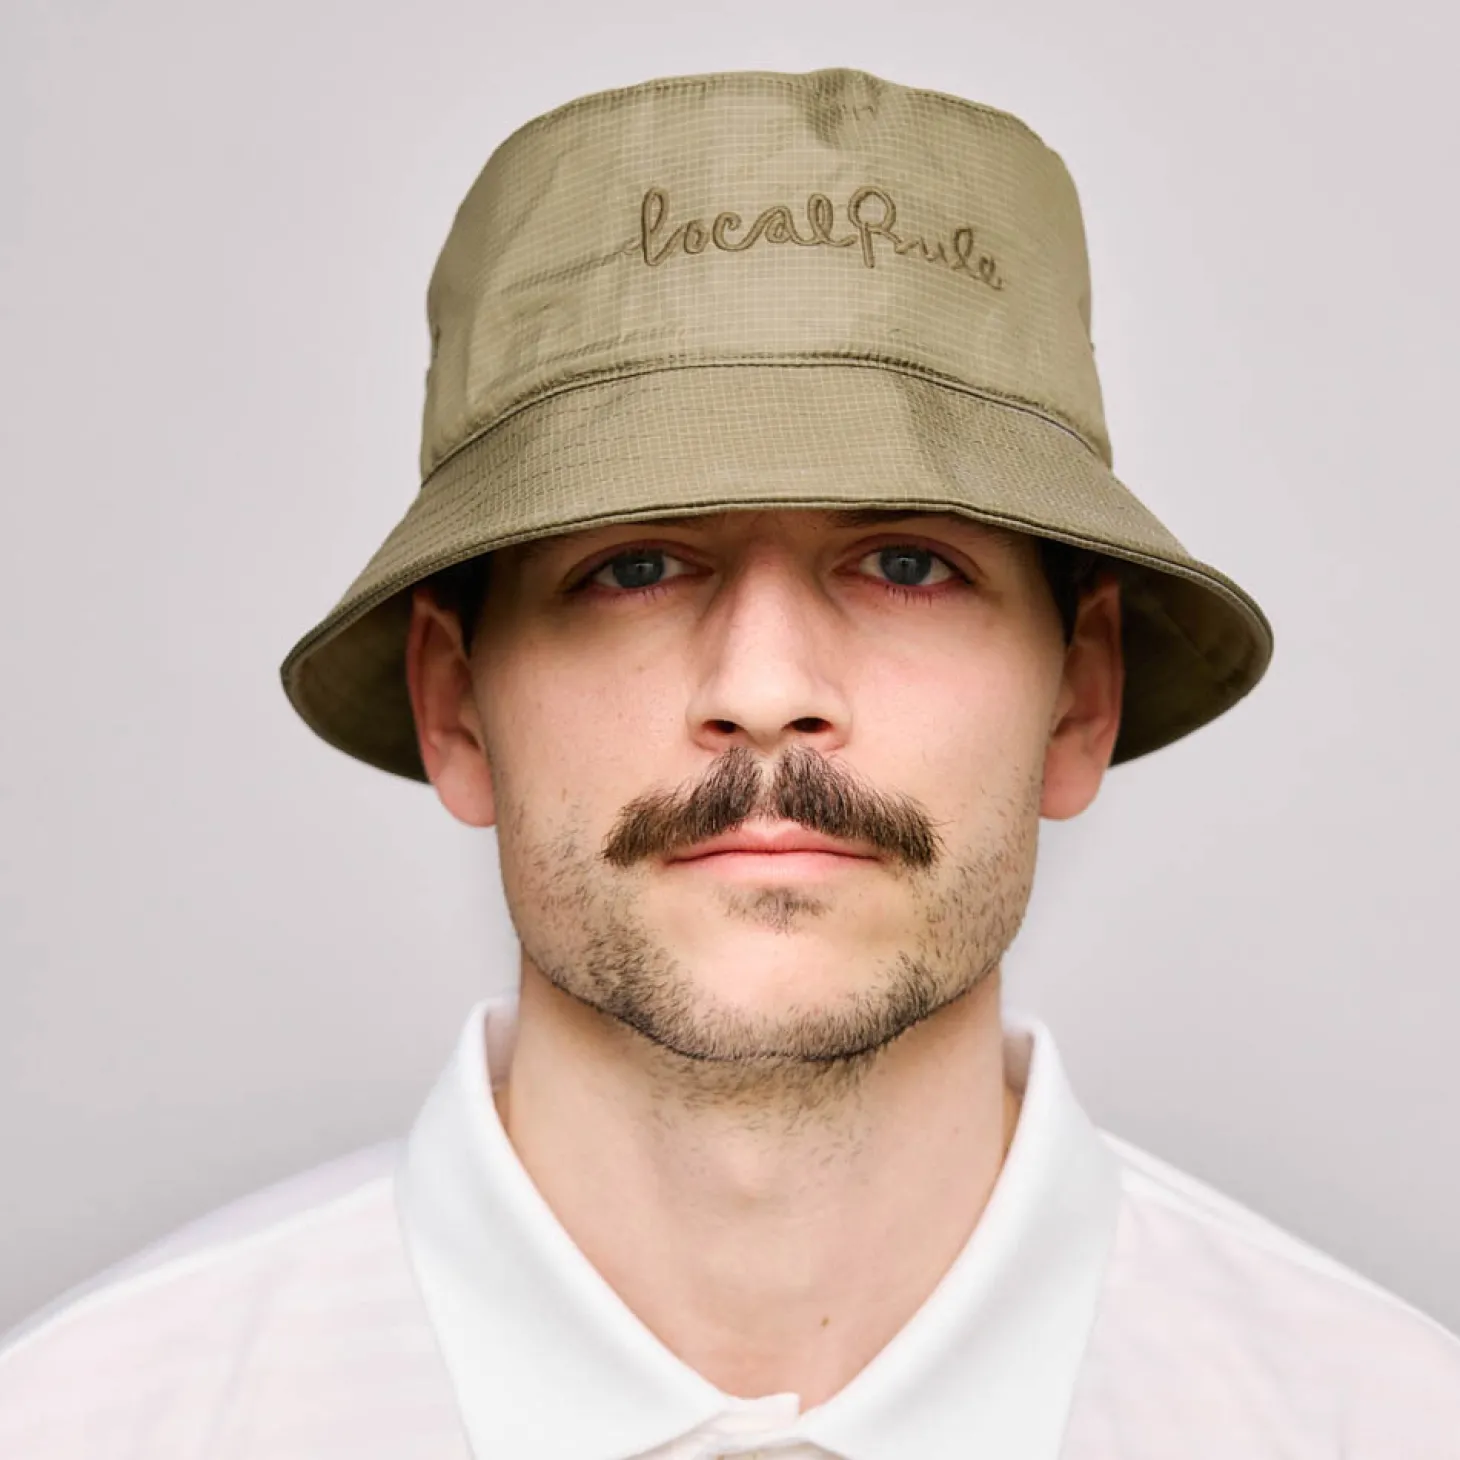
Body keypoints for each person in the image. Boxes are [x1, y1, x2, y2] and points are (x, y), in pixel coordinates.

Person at [3, 65, 1457, 1460]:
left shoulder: (1385, 1427)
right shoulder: (82, 1431)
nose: (765, 692)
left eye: (907, 562)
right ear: (455, 706)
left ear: (1082, 700)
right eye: (636, 565)